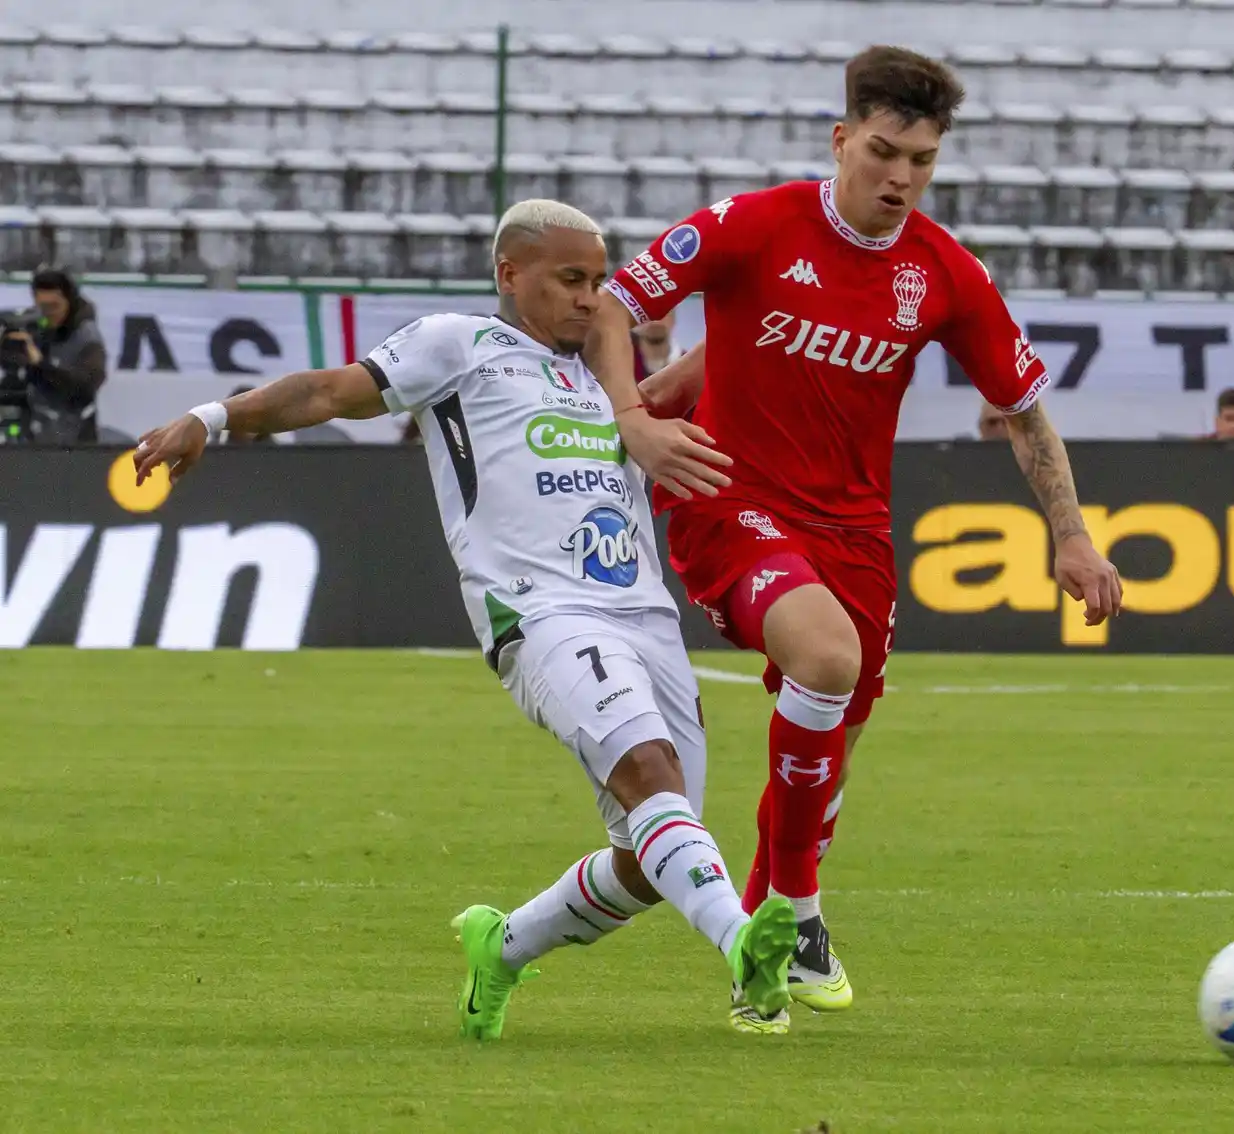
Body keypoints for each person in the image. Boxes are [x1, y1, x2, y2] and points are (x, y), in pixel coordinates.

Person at [132, 199, 798, 1041]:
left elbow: (722, 363)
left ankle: (503, 947)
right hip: (541, 613)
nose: (590, 298)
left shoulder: (611, 379)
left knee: (649, 859)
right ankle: (745, 953)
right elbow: (328, 391)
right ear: (509, 274)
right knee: (648, 769)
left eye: (598, 281)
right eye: (568, 280)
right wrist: (212, 416)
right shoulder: (461, 345)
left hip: (645, 618)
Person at [585, 46, 1123, 1032]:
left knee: (837, 722)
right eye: (884, 152)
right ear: (842, 140)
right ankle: (795, 908)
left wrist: (1074, 539)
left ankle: (763, 941)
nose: (901, 178)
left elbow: (1025, 409)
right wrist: (633, 417)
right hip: (726, 497)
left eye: (922, 161)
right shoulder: (753, 223)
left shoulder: (944, 273)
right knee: (827, 659)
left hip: (854, 531)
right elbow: (617, 302)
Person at [3, 267, 108, 443]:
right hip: (34, 431)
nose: (49, 313)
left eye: (54, 306)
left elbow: (87, 385)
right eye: (42, 306)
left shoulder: (86, 336)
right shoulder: (33, 326)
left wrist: (41, 365)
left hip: (76, 436)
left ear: (68, 300)